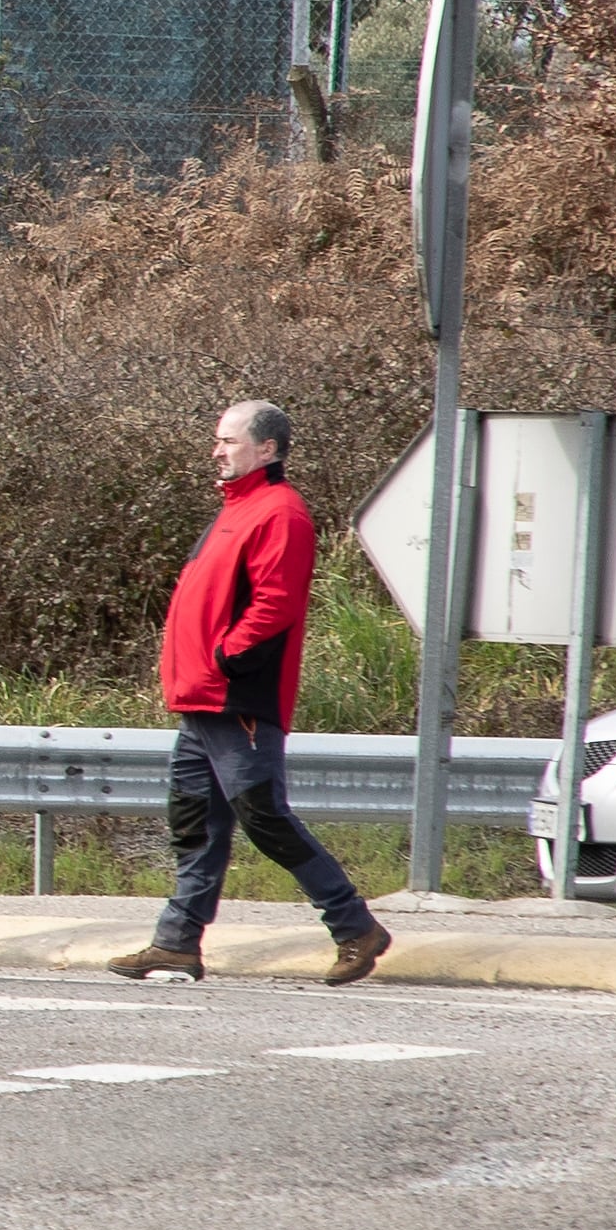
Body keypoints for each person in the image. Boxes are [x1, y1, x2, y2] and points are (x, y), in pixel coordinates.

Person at [117, 400, 393, 984]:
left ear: (266, 449)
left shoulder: (280, 513)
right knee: (196, 826)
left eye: (229, 440)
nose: (217, 450)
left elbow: (274, 605)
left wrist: (226, 659)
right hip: (202, 704)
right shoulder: (235, 510)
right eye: (217, 440)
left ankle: (355, 928)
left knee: (265, 819)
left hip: (236, 700)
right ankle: (176, 943)